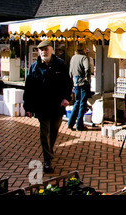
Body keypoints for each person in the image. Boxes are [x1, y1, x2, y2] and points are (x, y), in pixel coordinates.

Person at [23, 40, 73, 173]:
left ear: (52, 50)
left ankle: (49, 151)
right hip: (42, 105)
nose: (44, 52)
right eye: (41, 50)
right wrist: (28, 107)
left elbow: (67, 83)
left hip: (57, 105)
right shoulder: (34, 67)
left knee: (54, 131)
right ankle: (47, 160)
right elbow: (29, 88)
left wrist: (66, 98)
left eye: (46, 49)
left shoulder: (60, 64)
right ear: (38, 52)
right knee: (44, 132)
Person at [68, 43, 92, 131]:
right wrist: (87, 79)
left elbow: (70, 71)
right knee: (82, 103)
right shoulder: (84, 58)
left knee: (77, 102)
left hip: (75, 82)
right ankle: (79, 125)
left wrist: (72, 80)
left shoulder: (73, 57)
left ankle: (70, 123)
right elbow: (87, 68)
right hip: (83, 82)